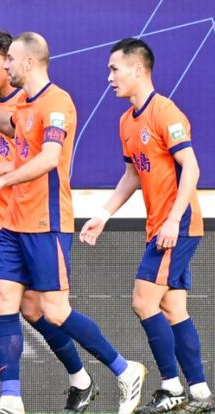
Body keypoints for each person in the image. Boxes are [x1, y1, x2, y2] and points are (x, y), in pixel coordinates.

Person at [0, 32, 146, 414]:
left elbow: (50, 158)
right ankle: (11, 399)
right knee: (4, 302)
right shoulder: (24, 103)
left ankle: (124, 369)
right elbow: (9, 125)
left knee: (55, 311)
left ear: (29, 62)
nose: (6, 65)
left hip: (46, 222)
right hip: (15, 223)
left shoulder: (58, 101)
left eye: (10, 59)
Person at [0, 30, 97, 413]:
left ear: (14, 62)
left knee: (36, 309)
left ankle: (83, 376)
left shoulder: (34, 100)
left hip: (25, 220)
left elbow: (37, 160)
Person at [80, 38, 213, 414]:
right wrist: (103, 214)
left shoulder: (165, 111)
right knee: (173, 309)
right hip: (161, 226)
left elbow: (192, 167)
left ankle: (171, 388)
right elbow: (132, 176)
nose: (109, 77)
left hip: (177, 225)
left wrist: (172, 220)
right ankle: (201, 393)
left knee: (142, 301)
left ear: (138, 69)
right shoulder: (126, 121)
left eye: (114, 69)